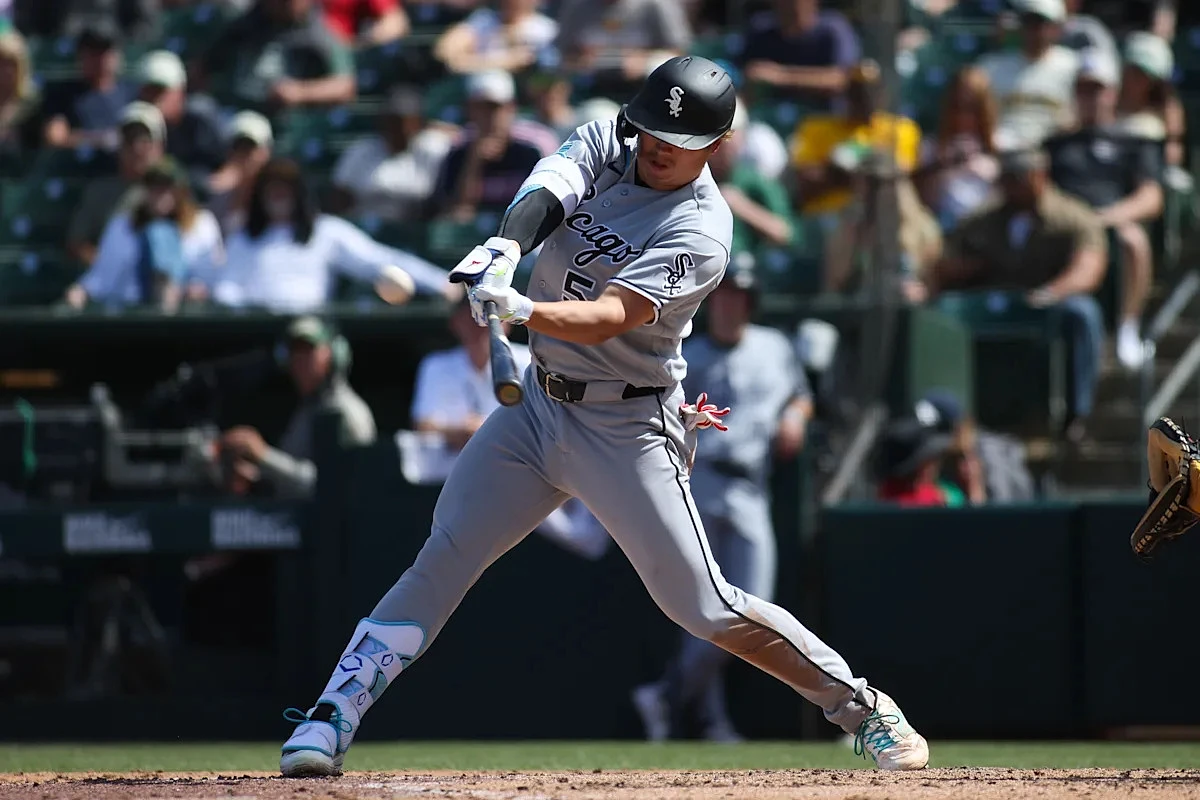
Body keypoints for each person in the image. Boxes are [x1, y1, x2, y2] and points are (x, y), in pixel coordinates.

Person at [279, 55, 929, 777]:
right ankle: (331, 716)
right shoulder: (606, 140)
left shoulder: (703, 229)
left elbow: (610, 316)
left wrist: (522, 309)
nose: (657, 147)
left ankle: (864, 708)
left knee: (704, 606)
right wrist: (508, 247)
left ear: (715, 147)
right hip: (536, 410)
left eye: (677, 141)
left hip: (627, 426)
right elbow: (546, 191)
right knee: (445, 554)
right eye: (651, 131)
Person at [631, 262, 813, 743]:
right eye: (725, 295)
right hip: (700, 480)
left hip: (752, 485)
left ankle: (667, 695)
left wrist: (796, 415)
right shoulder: (686, 353)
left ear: (751, 303)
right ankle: (710, 721)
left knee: (754, 606)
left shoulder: (774, 347)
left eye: (740, 296)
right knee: (704, 610)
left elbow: (801, 395)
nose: (731, 303)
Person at [921, 147, 1108, 437]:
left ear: (1040, 175)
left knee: (1082, 312)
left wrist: (1052, 292)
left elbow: (1089, 268)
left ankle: (1076, 414)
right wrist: (966, 268)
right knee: (942, 311)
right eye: (1006, 178)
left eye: (1018, 178)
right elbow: (943, 263)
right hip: (992, 305)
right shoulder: (984, 218)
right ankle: (943, 412)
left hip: (1046, 305)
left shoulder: (1074, 216)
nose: (1011, 186)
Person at [409, 297, 611, 561]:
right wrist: (461, 432)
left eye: (487, 317)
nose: (479, 324)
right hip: (458, 469)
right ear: (455, 322)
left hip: (525, 464)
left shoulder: (531, 360)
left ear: (506, 323)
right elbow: (423, 425)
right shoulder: (436, 365)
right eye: (471, 316)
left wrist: (488, 432)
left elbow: (552, 421)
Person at [1045, 48, 1164, 371]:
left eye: (1097, 89)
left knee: (1133, 240)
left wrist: (1108, 217)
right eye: (1083, 89)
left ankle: (1128, 326)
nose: (1090, 97)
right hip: (1063, 227)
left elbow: (1151, 197)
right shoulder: (1057, 144)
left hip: (1110, 222)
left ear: (1113, 92)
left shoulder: (1133, 140)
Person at [212, 157, 452, 312]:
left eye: (285, 186)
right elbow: (227, 288)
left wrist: (441, 283)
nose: (278, 193)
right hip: (255, 333)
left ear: (298, 192)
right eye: (271, 186)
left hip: (309, 334)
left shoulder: (326, 231)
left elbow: (379, 261)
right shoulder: (243, 237)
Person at [215, 316, 376, 499]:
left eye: (308, 352)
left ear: (332, 355)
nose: (299, 362)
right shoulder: (309, 407)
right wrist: (255, 476)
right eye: (295, 353)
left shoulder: (345, 411)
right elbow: (294, 478)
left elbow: (332, 486)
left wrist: (263, 455)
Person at [64, 157, 223, 311]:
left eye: (167, 186)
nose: (160, 194)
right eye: (154, 187)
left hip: (186, 316)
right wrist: (81, 291)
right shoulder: (122, 226)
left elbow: (212, 279)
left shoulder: (202, 223)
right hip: (131, 314)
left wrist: (194, 290)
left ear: (181, 190)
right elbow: (102, 277)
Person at [329, 86, 456, 222]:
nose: (398, 128)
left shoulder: (435, 147)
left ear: (417, 122)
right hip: (366, 224)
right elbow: (339, 195)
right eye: (391, 121)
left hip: (418, 225)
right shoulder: (362, 149)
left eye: (404, 121)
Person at [428, 70, 543, 219]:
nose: (489, 116)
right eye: (480, 108)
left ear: (511, 108)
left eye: (495, 108)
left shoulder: (529, 154)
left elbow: (537, 207)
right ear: (469, 110)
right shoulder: (458, 155)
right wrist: (473, 162)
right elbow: (452, 210)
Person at [65, 101, 166, 267]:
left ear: (160, 146)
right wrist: (108, 266)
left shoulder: (174, 189)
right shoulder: (100, 191)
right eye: (130, 139)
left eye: (145, 139)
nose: (136, 148)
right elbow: (77, 243)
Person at [976, 0, 1079, 146]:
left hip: (1054, 147)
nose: (1035, 30)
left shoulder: (1072, 66)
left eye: (1041, 23)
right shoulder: (991, 67)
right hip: (1003, 148)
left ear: (1056, 27)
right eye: (1029, 23)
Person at [916, 66, 1001, 232]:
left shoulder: (1003, 146)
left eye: (972, 108)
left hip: (988, 230)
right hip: (942, 227)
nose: (963, 116)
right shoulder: (930, 148)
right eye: (957, 107)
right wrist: (942, 165)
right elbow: (920, 201)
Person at [41, 22, 137, 149]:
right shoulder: (62, 94)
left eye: (105, 51)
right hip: (76, 160)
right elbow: (55, 136)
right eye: (93, 52)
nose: (100, 59)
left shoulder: (131, 93)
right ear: (80, 55)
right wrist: (102, 140)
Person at [434, 0, 558, 75]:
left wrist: (466, 63)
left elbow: (524, 63)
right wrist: (503, 61)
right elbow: (445, 51)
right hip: (473, 88)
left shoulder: (546, 29)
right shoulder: (484, 19)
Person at [0, 30, 42, 172]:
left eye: (10, 64)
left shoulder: (34, 106)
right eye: (0, 63)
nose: (5, 71)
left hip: (23, 174)